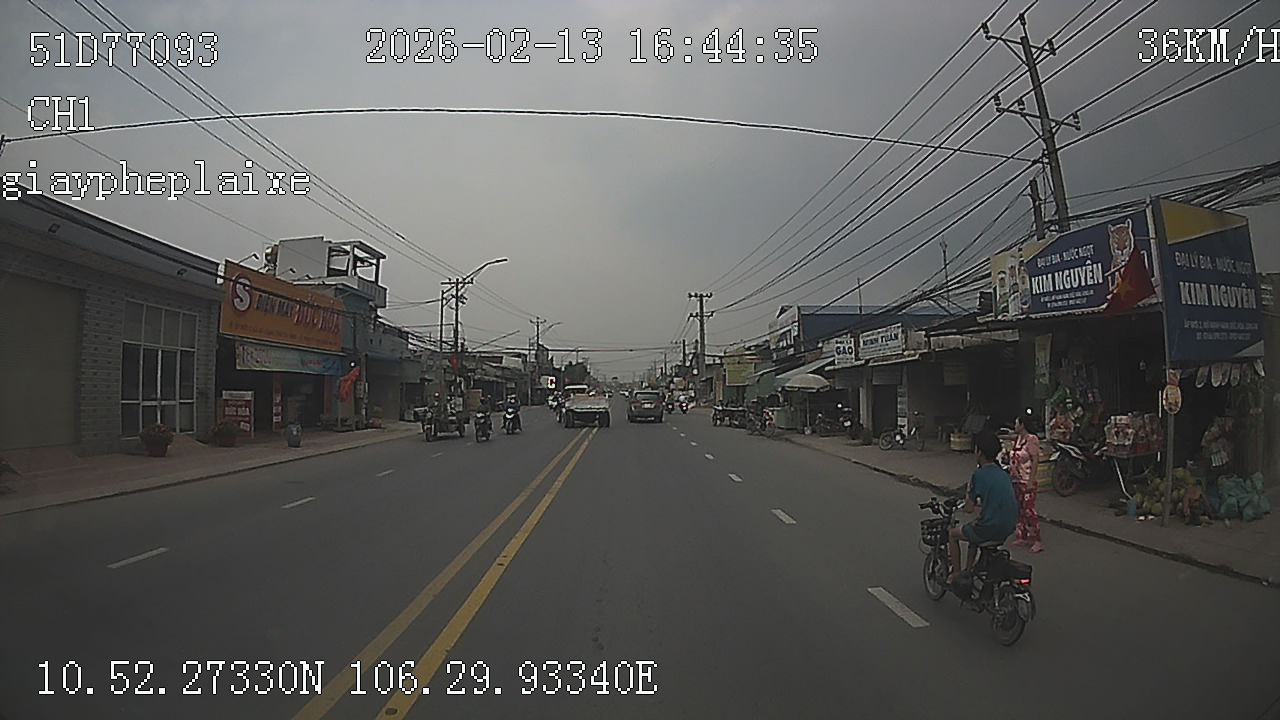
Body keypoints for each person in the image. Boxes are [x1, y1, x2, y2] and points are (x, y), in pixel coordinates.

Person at [947, 430, 1018, 584]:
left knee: (953, 534)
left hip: (990, 527)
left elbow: (969, 508)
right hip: (1009, 526)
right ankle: (969, 570)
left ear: (979, 452)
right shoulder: (1003, 474)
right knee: (974, 527)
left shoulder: (978, 475)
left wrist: (968, 495)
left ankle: (956, 574)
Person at [1010, 413, 1044, 552]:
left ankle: (1037, 540)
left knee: (1029, 510)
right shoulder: (1017, 439)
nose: (1014, 426)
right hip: (1016, 480)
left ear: (1022, 425)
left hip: (1026, 479)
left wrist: (1031, 480)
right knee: (1019, 509)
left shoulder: (1032, 440)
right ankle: (1022, 535)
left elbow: (1035, 460)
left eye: (1016, 423)